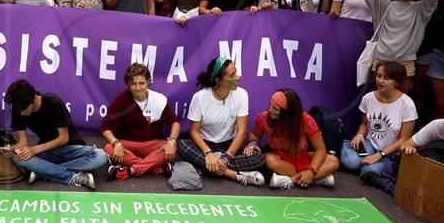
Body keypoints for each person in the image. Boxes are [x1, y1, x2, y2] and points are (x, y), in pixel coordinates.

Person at [347, 0, 443, 87]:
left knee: (399, 103)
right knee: (380, 101)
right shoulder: (383, 5)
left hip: (405, 63)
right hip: (381, 60)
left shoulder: (420, 9)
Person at [177, 58, 265, 186]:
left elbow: (241, 132)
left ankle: (204, 168)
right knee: (181, 145)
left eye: (236, 72)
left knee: (259, 158)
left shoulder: (242, 95)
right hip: (205, 146)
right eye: (232, 75)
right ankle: (233, 175)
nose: (238, 77)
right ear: (218, 80)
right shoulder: (200, 97)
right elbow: (194, 131)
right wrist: (208, 154)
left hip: (229, 146)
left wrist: (227, 158)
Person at [3, 79, 106, 189]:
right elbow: (23, 142)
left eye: (23, 109)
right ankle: (71, 177)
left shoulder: (54, 102)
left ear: (32, 99)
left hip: (70, 148)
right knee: (17, 158)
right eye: (18, 110)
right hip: (46, 151)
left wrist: (34, 150)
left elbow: (63, 139)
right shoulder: (18, 108)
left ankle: (44, 171)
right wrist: (12, 149)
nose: (21, 113)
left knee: (101, 156)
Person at [340, 61, 416, 194]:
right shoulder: (368, 98)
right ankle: (348, 144)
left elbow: (404, 139)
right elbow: (365, 123)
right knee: (350, 162)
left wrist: (380, 155)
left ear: (397, 82)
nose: (380, 81)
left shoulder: (407, 105)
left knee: (368, 170)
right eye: (378, 76)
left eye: (386, 78)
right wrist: (359, 134)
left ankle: (374, 163)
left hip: (391, 153)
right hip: (370, 145)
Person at [245, 89, 339, 189]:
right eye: (270, 105)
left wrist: (311, 171)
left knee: (333, 161)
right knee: (269, 160)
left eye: (275, 109)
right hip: (279, 159)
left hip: (302, 157)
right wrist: (252, 143)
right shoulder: (265, 117)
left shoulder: (306, 121)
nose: (270, 110)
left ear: (288, 113)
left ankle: (290, 180)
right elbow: (254, 134)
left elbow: (320, 150)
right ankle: (316, 179)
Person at [101, 63, 180, 180]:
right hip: (126, 144)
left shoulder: (158, 100)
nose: (138, 88)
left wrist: (172, 141)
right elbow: (105, 127)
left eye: (142, 83)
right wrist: (116, 143)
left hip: (149, 144)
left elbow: (175, 122)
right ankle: (153, 166)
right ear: (128, 84)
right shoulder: (121, 100)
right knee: (109, 148)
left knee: (171, 147)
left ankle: (130, 170)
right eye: (133, 84)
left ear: (149, 82)